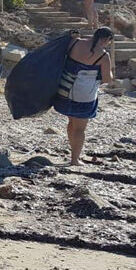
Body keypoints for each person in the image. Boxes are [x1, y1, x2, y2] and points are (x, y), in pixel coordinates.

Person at [53, 27, 114, 166]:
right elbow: (107, 79)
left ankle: (73, 154)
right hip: (84, 95)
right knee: (79, 129)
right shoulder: (103, 56)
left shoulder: (75, 43)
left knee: (71, 123)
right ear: (106, 39)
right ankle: (75, 160)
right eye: (109, 42)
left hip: (65, 90)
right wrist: (111, 73)